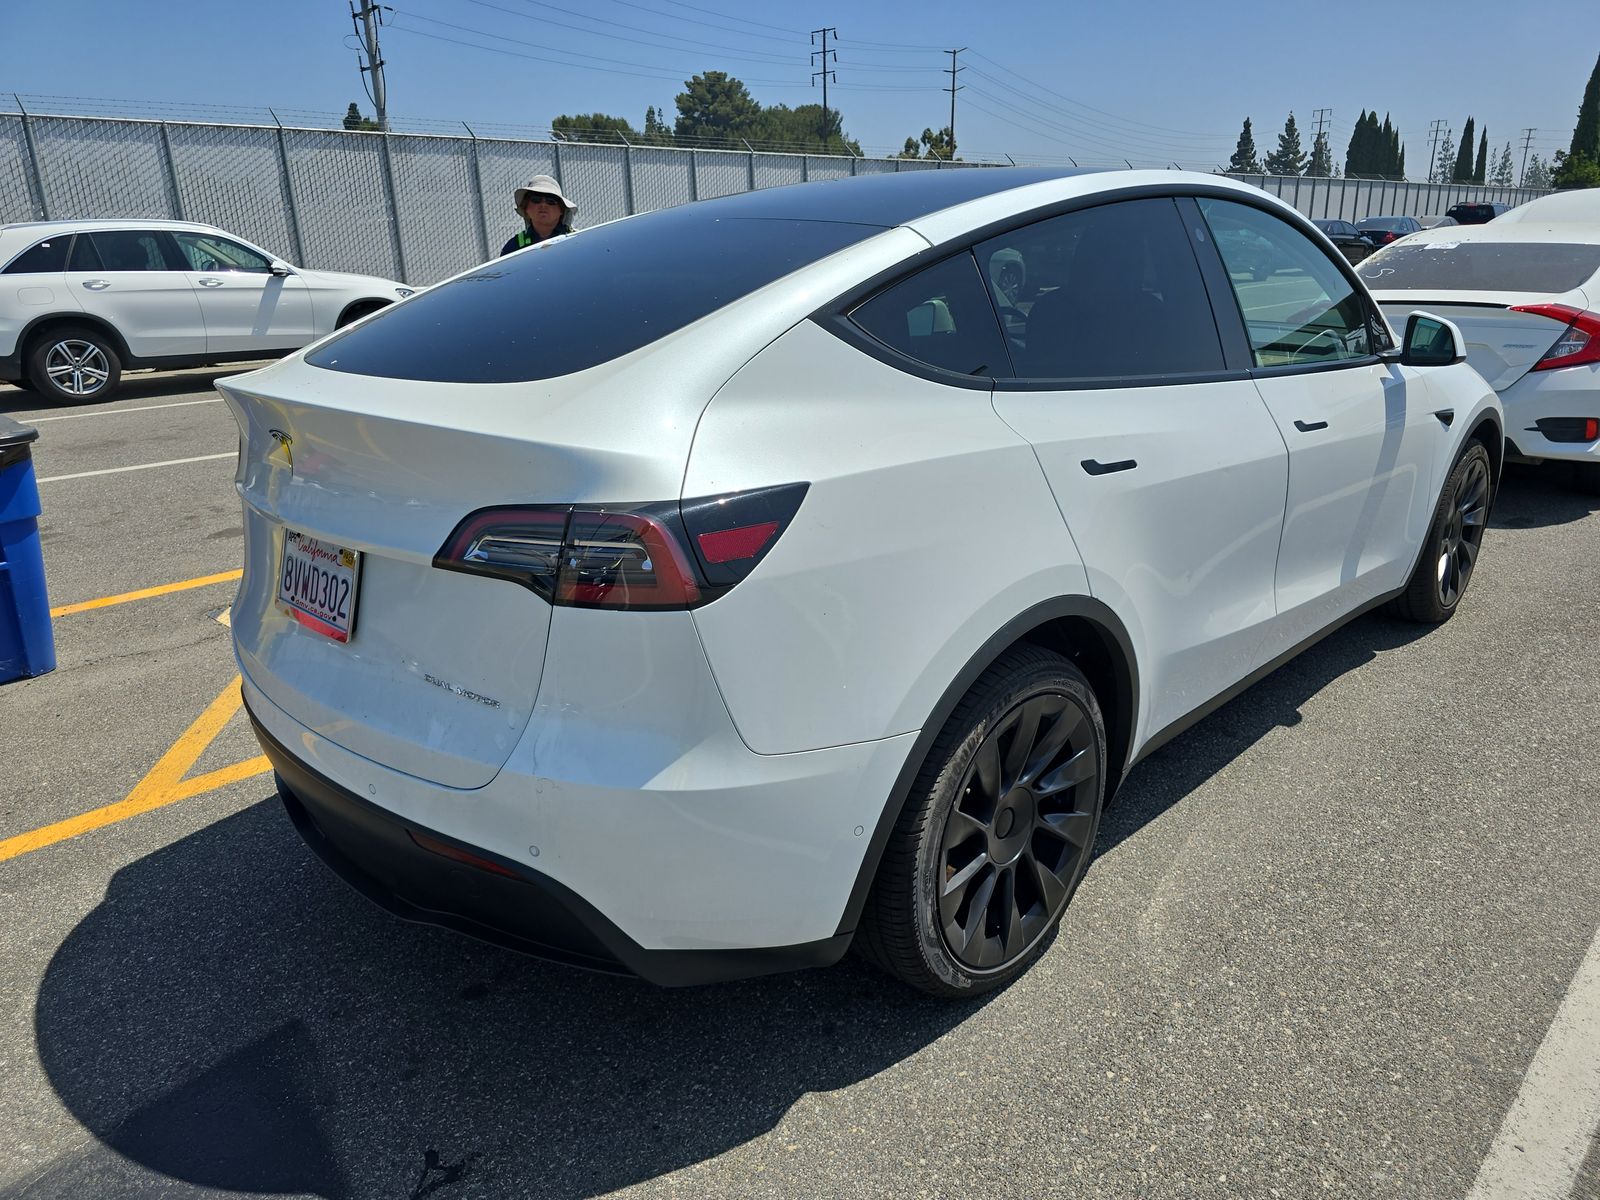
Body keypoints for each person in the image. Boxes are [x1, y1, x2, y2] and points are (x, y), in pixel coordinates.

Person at [500, 175, 576, 256]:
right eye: (536, 199)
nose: (543, 205)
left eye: (551, 201)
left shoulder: (576, 240)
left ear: (562, 210)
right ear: (526, 208)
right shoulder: (513, 247)